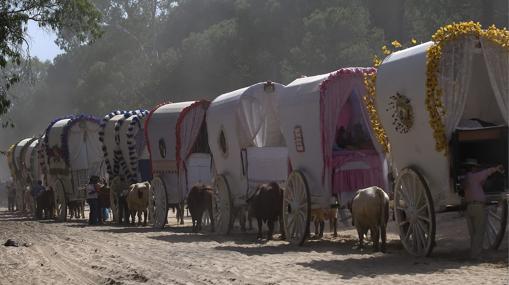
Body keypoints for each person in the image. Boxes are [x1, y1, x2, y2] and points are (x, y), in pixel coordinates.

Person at [461, 159, 504, 259]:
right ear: (472, 168)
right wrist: (496, 168)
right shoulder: (475, 176)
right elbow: (487, 172)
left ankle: (473, 253)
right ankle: (476, 255)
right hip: (478, 207)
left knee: (473, 233)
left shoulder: (465, 179)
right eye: (475, 167)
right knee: (479, 232)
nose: (477, 169)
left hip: (469, 207)